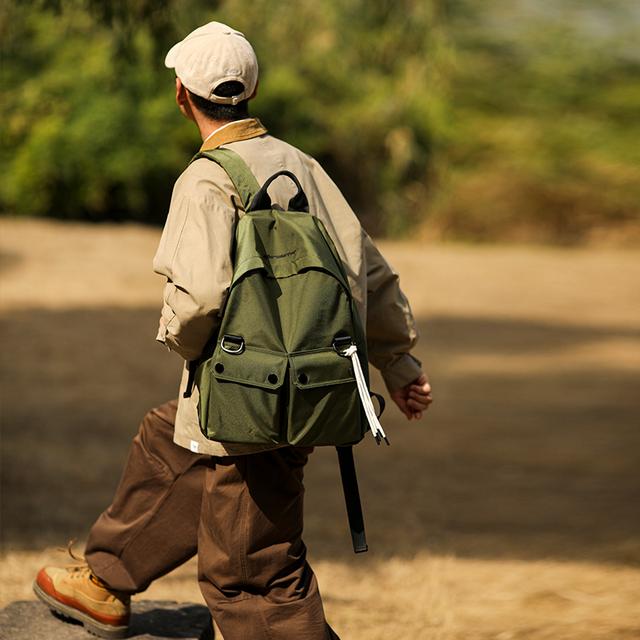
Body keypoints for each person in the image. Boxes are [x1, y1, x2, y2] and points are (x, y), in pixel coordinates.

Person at [33, 21, 433, 640]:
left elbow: (197, 303)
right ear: (250, 90)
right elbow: (368, 273)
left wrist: (186, 347)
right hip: (307, 388)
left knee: (250, 573)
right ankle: (106, 580)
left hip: (248, 399)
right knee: (169, 437)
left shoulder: (205, 179)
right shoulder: (302, 166)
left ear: (181, 95)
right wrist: (400, 367)